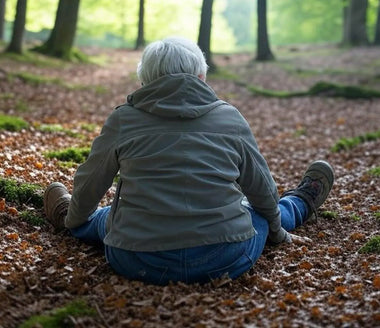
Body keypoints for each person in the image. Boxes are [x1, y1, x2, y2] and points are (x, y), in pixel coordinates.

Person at [44, 37, 334, 285]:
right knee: (256, 210)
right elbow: (261, 187)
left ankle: (68, 217)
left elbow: (91, 181)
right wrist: (278, 233)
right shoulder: (229, 117)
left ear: (145, 81)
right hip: (224, 257)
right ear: (202, 77)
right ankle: (299, 203)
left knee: (105, 217)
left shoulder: (123, 119)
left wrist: (75, 222)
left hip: (137, 260)